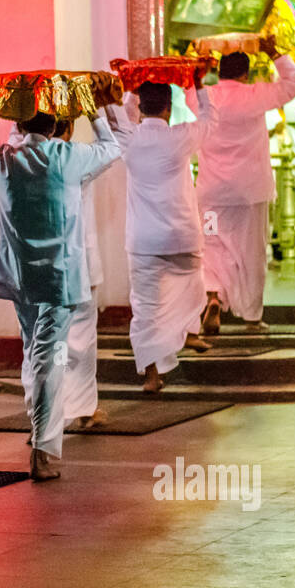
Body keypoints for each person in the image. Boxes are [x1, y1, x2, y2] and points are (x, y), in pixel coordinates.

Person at [0, 104, 121, 480]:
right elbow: (112, 148)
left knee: (35, 350)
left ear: (17, 123)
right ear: (57, 125)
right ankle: (43, 447)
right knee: (48, 358)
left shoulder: (2, 158)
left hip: (18, 278)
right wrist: (94, 112)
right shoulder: (68, 156)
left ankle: (38, 423)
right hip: (58, 279)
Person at [111, 78, 217, 394]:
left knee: (145, 308)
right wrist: (198, 85)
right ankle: (188, 331)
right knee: (192, 290)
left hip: (143, 239)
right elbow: (211, 120)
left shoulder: (128, 138)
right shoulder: (180, 136)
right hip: (182, 235)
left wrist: (130, 87)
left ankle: (152, 375)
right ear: (169, 108)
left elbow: (119, 117)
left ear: (140, 108)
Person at [197, 35, 295, 334]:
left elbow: (185, 88)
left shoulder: (205, 96)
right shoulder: (255, 94)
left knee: (210, 245)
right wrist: (273, 52)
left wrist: (200, 63)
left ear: (219, 71)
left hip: (210, 194)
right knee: (252, 253)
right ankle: (252, 317)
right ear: (245, 73)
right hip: (250, 193)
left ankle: (213, 297)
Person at [52, 117, 110, 428]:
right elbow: (112, 146)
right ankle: (84, 409)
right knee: (83, 338)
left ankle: (45, 415)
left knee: (44, 342)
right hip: (80, 262)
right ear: (69, 128)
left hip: (40, 264)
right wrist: (96, 112)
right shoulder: (79, 158)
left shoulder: (20, 160)